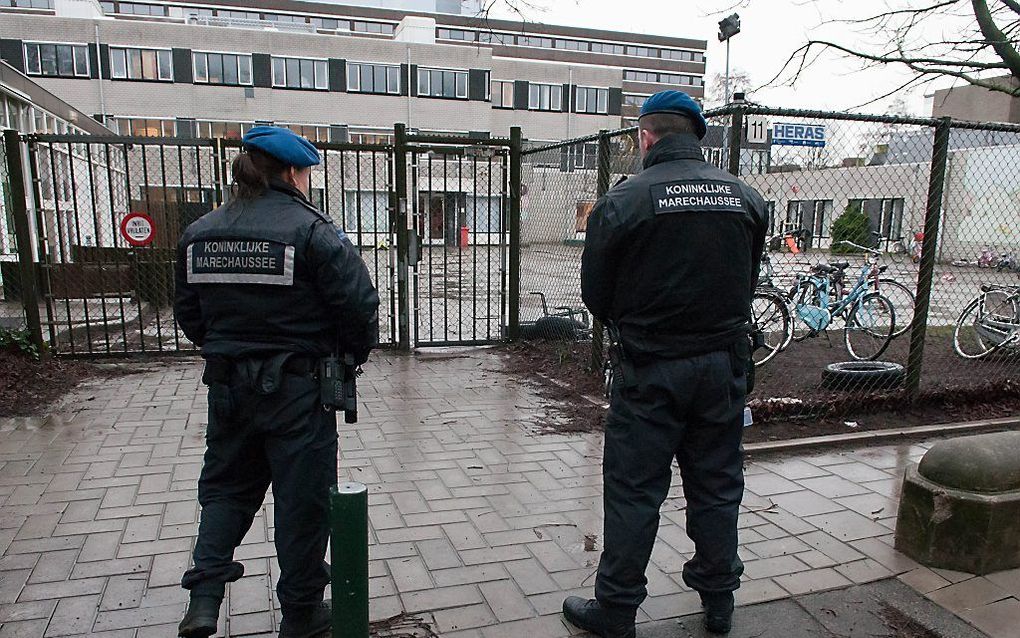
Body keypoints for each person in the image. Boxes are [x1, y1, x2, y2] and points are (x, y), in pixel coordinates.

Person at [562, 91, 768, 637]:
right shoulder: (745, 199)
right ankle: (719, 599)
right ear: (696, 136)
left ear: (646, 137)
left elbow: (596, 297)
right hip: (722, 369)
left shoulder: (624, 201)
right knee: (718, 486)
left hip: (650, 371)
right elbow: (746, 283)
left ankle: (618, 609)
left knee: (634, 490)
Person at [174, 126, 379, 638]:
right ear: (291, 172)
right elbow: (360, 306)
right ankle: (302, 613)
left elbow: (188, 313)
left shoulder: (200, 232)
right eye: (307, 172)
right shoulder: (312, 231)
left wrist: (227, 349)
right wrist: (347, 358)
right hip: (298, 392)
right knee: (301, 504)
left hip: (228, 392)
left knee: (225, 490)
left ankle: (204, 600)